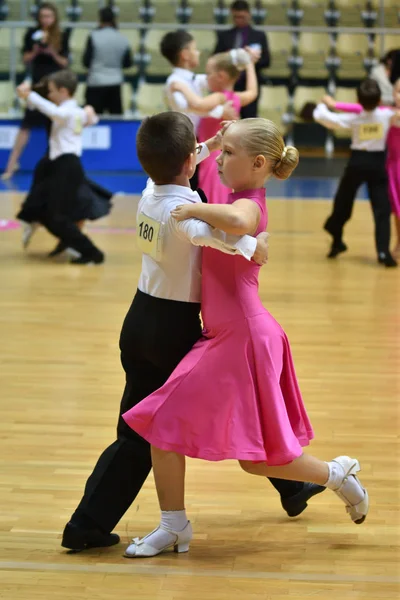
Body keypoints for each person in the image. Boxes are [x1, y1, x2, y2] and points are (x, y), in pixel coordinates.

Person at [61, 113, 322, 553]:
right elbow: (217, 236)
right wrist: (252, 246)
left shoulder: (149, 192)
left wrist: (210, 144)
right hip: (172, 327)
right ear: (189, 162)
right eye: (199, 155)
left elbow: (178, 168)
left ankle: (293, 487)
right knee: (147, 430)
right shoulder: (185, 212)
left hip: (139, 316)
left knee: (213, 404)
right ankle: (88, 524)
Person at [122, 117, 368, 558]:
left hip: (245, 338)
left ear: (257, 164)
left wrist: (196, 209)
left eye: (228, 154)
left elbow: (237, 222)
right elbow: (182, 165)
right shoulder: (231, 191)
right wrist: (210, 143)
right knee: (173, 431)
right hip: (223, 336)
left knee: (258, 457)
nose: (217, 160)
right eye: (218, 152)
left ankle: (336, 474)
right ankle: (173, 525)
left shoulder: (250, 203)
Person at [16, 70, 106, 265]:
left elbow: (55, 113)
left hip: (67, 166)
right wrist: (26, 96)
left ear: (64, 91)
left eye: (51, 91)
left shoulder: (69, 111)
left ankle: (92, 253)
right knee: (44, 212)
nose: (49, 95)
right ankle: (71, 243)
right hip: (59, 165)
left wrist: (29, 95)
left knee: (57, 216)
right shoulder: (75, 111)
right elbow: (89, 119)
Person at [313, 79, 398, 268]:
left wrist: (322, 106)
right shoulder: (386, 115)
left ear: (358, 100)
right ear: (378, 100)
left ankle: (336, 238)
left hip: (357, 163)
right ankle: (383, 253)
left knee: (343, 203)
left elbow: (327, 119)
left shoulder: (354, 118)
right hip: (378, 165)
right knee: (382, 210)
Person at [170, 48, 258, 204]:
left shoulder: (219, 97)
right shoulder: (236, 98)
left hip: (212, 158)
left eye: (208, 73)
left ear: (221, 77)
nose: (206, 77)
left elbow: (197, 104)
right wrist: (249, 63)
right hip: (223, 156)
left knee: (212, 200)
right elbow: (252, 92)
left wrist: (182, 87)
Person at [161, 30, 238, 190]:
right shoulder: (174, 82)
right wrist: (219, 111)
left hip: (197, 138)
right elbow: (191, 108)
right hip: (184, 141)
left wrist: (233, 60)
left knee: (197, 185)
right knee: (189, 185)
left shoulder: (192, 78)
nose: (198, 52)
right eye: (194, 49)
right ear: (185, 55)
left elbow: (219, 77)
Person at [1, 2, 70, 180]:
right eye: (42, 17)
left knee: (54, 128)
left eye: (49, 16)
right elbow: (25, 59)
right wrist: (35, 51)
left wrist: (52, 51)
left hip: (55, 87)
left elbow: (65, 63)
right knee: (25, 126)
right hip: (37, 85)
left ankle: (55, 168)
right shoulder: (32, 34)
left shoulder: (62, 35)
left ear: (54, 18)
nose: (45, 20)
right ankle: (10, 167)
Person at [214, 0, 270, 119]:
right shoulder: (224, 35)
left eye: (242, 17)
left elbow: (267, 60)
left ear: (249, 14)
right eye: (236, 17)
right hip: (229, 83)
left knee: (249, 119)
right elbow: (215, 58)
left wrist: (251, 59)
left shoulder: (259, 35)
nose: (239, 20)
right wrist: (228, 56)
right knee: (228, 118)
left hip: (249, 82)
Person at [83, 7, 134, 115]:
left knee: (93, 118)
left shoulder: (93, 36)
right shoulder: (122, 38)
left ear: (100, 20)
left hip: (95, 82)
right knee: (115, 118)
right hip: (115, 83)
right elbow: (128, 63)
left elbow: (86, 62)